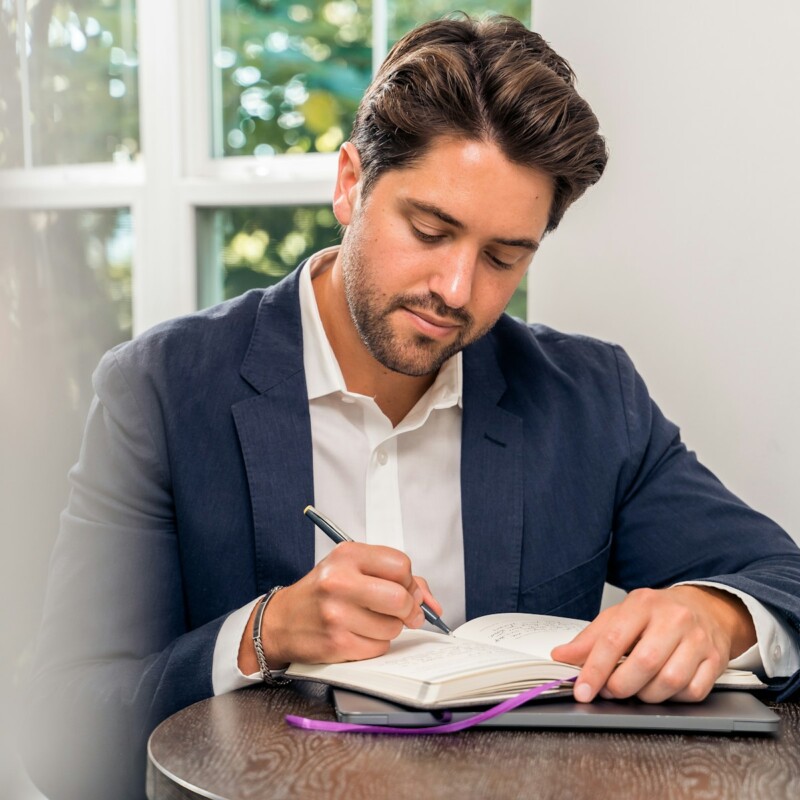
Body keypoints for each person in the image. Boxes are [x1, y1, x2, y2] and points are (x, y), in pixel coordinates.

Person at [22, 14, 800, 800]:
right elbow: (58, 729)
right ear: (350, 183)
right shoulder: (160, 389)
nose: (457, 291)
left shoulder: (592, 400)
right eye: (430, 230)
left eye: (504, 257)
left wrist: (719, 615)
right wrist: (263, 636)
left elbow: (784, 580)